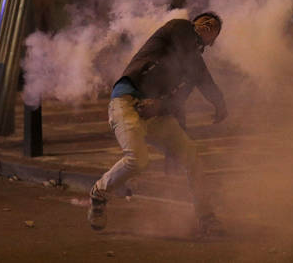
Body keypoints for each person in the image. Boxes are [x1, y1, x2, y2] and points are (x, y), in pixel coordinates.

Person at [88, 13, 228, 236]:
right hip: (127, 101)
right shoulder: (179, 28)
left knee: (191, 155)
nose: (210, 26)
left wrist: (161, 106)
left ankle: (206, 217)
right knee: (138, 159)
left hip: (156, 116)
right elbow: (196, 66)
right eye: (206, 22)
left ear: (212, 41)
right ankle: (99, 193)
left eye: (215, 28)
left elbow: (179, 100)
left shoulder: (192, 69)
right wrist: (218, 100)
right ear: (194, 24)